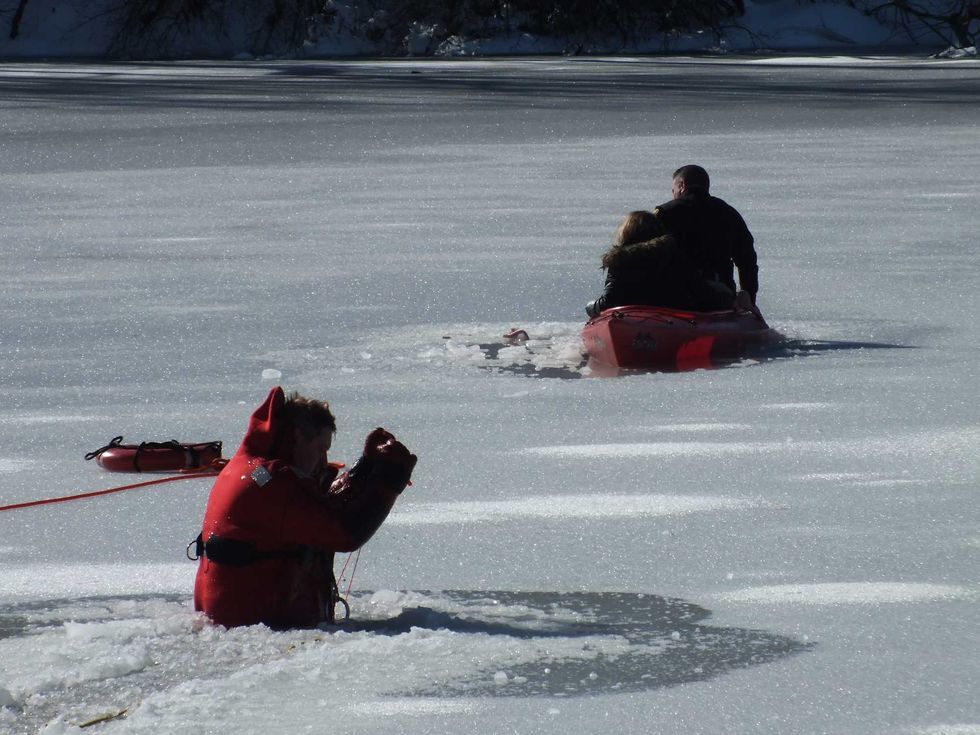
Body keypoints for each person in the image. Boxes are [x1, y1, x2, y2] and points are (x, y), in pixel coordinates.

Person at [191, 386, 416, 629]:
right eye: (320, 449)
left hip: (229, 618)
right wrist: (388, 482)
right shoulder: (271, 482)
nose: (323, 460)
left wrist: (363, 471)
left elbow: (318, 511)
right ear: (298, 437)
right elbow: (344, 534)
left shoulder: (249, 466)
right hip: (253, 627)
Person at [585, 210, 736, 318]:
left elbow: (609, 302)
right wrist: (728, 300)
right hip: (676, 319)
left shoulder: (620, 260)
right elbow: (700, 293)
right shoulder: (675, 256)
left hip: (631, 322)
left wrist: (591, 307)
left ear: (626, 234)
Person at [653, 165, 759, 303]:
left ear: (681, 185)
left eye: (673, 190)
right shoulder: (728, 213)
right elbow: (747, 260)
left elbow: (646, 257)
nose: (673, 195)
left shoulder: (664, 214)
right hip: (719, 297)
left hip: (673, 296)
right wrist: (749, 297)